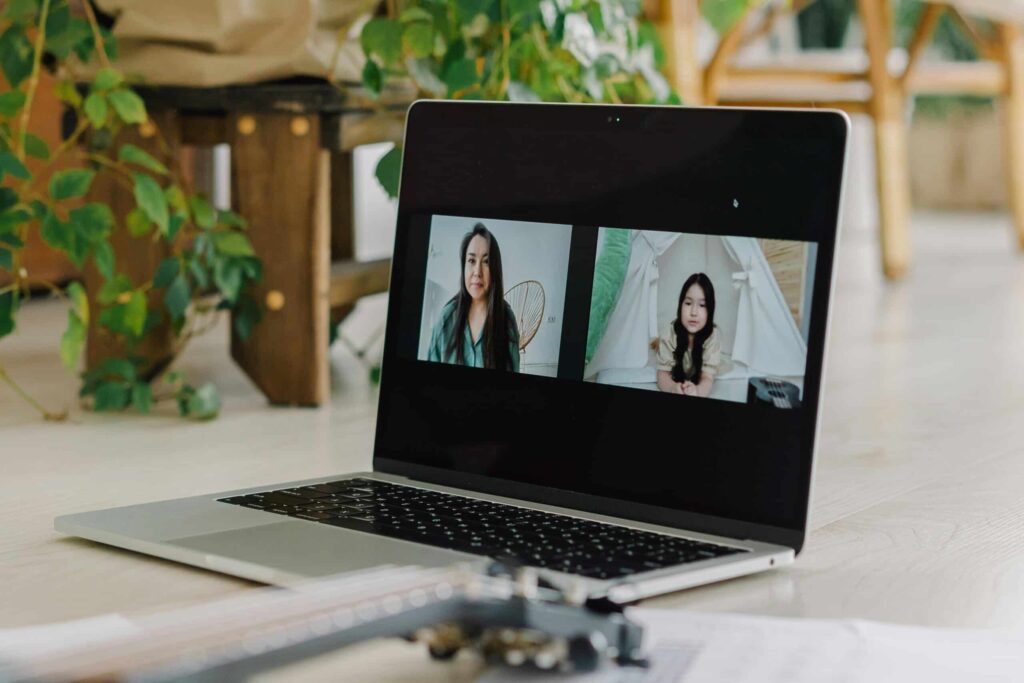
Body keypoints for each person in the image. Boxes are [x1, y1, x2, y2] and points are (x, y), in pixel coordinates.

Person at [427, 223, 521, 371]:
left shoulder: (506, 319)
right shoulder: (446, 318)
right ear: (464, 266)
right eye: (471, 261)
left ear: (495, 269)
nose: (477, 271)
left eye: (486, 262)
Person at [656, 273, 721, 397]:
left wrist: (698, 391)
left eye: (702, 305)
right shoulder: (670, 333)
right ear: (680, 305)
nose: (693, 312)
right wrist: (672, 388)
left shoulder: (712, 336)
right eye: (688, 303)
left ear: (710, 310)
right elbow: (662, 373)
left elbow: (707, 377)